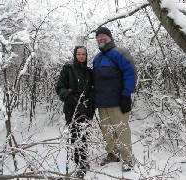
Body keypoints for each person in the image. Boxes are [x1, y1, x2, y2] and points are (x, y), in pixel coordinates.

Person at [93, 27, 137, 171]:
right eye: (98, 37)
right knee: (107, 131)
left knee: (121, 130)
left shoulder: (120, 53)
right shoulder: (97, 58)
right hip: (102, 103)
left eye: (103, 36)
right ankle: (112, 153)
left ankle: (127, 158)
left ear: (110, 37)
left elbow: (130, 73)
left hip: (118, 101)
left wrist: (126, 94)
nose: (100, 38)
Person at [55, 46, 94, 178]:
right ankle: (79, 164)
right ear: (75, 55)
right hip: (72, 108)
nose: (81, 56)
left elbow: (93, 88)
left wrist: (92, 97)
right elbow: (59, 87)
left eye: (83, 54)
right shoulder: (68, 70)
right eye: (79, 54)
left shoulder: (89, 71)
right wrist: (68, 96)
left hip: (87, 107)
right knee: (75, 135)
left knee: (84, 134)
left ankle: (83, 160)